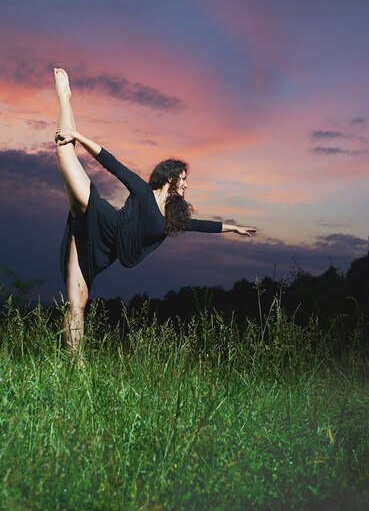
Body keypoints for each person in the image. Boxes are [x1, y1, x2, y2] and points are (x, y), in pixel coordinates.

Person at [54, 68, 256, 348]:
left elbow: (203, 226)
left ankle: (72, 370)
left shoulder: (171, 220)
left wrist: (233, 227)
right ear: (171, 178)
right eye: (184, 180)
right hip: (96, 217)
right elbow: (111, 163)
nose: (186, 186)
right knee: (65, 149)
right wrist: (77, 134)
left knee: (78, 303)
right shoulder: (142, 191)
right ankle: (65, 97)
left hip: (100, 252)